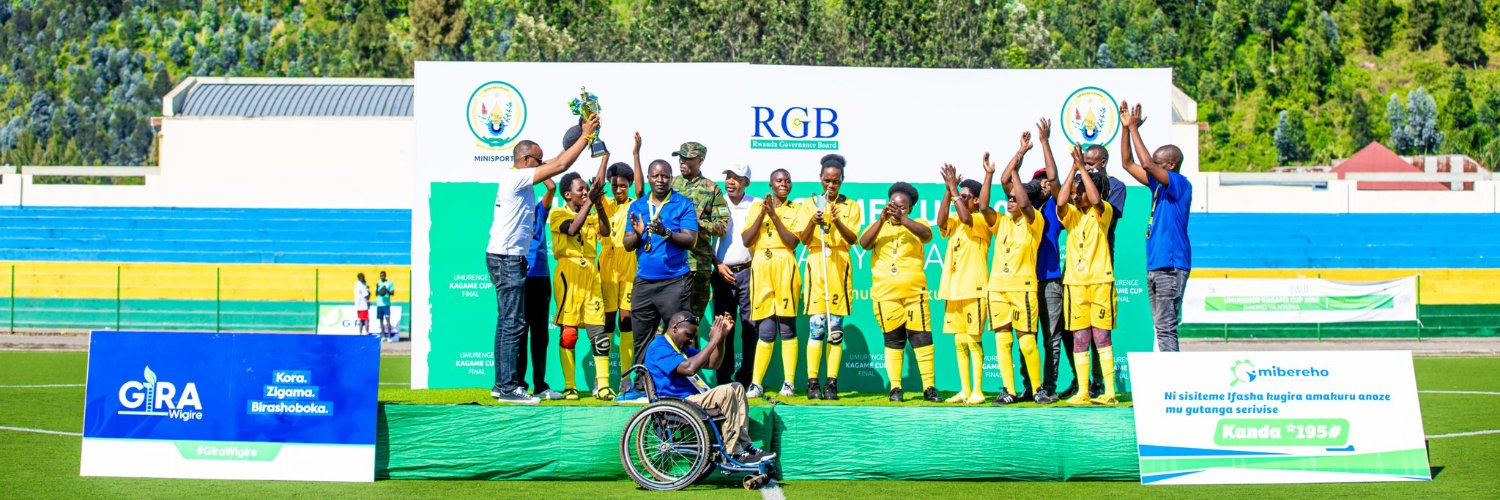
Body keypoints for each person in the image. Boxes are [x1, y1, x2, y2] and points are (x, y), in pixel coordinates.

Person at [488, 115, 598, 404]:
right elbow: (560, 166)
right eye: (537, 161)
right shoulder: (516, 177)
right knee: (513, 323)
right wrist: (586, 137)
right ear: (525, 160)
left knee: (506, 322)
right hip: (508, 258)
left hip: (505, 257)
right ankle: (510, 389)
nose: (540, 165)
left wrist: (578, 140)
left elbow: (557, 160)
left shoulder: (519, 175)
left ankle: (502, 385)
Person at [1031, 118, 1104, 403]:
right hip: (1024, 280)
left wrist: (1045, 142)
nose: (1042, 184)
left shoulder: (1053, 207)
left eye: (1046, 181)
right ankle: (1034, 385)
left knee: (1058, 336)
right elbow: (1007, 181)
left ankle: (1053, 386)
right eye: (1038, 181)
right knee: (1032, 338)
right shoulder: (1023, 207)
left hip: (1052, 278)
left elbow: (1056, 180)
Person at [617, 159, 700, 403]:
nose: (660, 180)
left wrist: (667, 233)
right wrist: (641, 234)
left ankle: (681, 389)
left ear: (671, 178)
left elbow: (691, 240)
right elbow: (628, 244)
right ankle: (641, 388)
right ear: (650, 179)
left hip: (675, 281)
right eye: (656, 176)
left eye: (665, 175)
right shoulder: (638, 206)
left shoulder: (683, 204)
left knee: (680, 337)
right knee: (641, 337)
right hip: (644, 282)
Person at [645, 311, 772, 465]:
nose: (691, 340)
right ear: (674, 328)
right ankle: (733, 453)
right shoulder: (659, 347)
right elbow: (689, 368)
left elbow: (713, 363)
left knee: (737, 387)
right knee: (726, 391)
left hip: (691, 399)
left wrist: (721, 339)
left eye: (693, 336)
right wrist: (713, 341)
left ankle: (745, 445)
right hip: (677, 402)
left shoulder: (681, 348)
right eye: (688, 335)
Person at [1119, 101, 1193, 352]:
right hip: (1156, 265)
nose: (1151, 169)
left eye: (1159, 165)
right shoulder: (1158, 186)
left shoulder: (1180, 183)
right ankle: (1168, 379)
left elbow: (1147, 164)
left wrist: (1135, 129)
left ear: (1170, 166)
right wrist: (1125, 130)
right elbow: (1128, 163)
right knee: (1161, 327)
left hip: (1171, 265)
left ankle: (1171, 384)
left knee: (1166, 327)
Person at [859, 182, 939, 403]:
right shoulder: (878, 225)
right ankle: (895, 387)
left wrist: (903, 220)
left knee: (922, 338)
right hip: (886, 294)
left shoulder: (917, 224)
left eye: (902, 207)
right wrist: (882, 219)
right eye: (893, 205)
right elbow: (864, 243)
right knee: (893, 340)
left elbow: (927, 236)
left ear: (910, 209)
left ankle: (929, 387)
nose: (896, 209)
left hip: (915, 293)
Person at [983, 133, 1047, 405]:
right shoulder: (1001, 222)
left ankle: (1038, 389)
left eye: (1013, 198)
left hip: (1022, 289)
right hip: (997, 289)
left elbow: (1023, 202)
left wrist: (1017, 173)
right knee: (1002, 341)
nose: (1009, 201)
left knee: (1027, 343)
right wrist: (989, 174)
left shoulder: (1035, 221)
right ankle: (1008, 390)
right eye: (1006, 198)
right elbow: (984, 206)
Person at [1056, 145, 1119, 406]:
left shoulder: (1102, 211)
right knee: (1080, 338)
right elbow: (1059, 202)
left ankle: (1110, 392)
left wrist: (1082, 168)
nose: (1073, 196)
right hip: (1075, 284)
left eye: (1077, 192)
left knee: (1101, 337)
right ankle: (1083, 390)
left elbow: (1094, 200)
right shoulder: (1071, 216)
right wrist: (1073, 169)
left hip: (1100, 282)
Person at [796, 154, 860, 401]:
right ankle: (813, 382)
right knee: (817, 327)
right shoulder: (809, 203)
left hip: (839, 266)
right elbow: (802, 239)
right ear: (820, 178)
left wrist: (836, 221)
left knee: (835, 329)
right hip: (816, 264)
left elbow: (853, 239)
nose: (830, 185)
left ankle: (832, 383)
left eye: (835, 181)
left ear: (842, 180)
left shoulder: (851, 206)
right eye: (826, 180)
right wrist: (814, 221)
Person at [549, 168, 614, 400]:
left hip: (591, 273)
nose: (585, 192)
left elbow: (605, 232)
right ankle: (570, 386)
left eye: (586, 189)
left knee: (600, 333)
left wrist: (598, 205)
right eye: (581, 190)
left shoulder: (592, 211)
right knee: (569, 334)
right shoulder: (557, 213)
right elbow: (573, 228)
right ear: (568, 195)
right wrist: (591, 203)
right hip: (569, 274)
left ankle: (604, 385)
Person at [743, 169, 803, 398]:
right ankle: (756, 383)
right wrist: (763, 214)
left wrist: (775, 216)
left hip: (784, 265)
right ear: (770, 184)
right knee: (766, 330)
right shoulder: (757, 207)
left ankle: (789, 382)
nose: (784, 184)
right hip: (761, 266)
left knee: (787, 327)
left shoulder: (796, 209)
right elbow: (747, 239)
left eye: (788, 180)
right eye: (779, 180)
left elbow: (792, 242)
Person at [935, 163, 991, 405]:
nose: (962, 200)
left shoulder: (979, 220)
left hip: (974, 288)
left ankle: (978, 390)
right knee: (959, 342)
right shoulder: (955, 222)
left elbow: (966, 216)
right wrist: (949, 191)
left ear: (977, 200)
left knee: (973, 340)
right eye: (961, 195)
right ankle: (964, 390)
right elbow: (940, 221)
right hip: (953, 289)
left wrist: (954, 191)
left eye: (966, 196)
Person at [597, 133, 646, 377]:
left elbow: (640, 188)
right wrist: (604, 158)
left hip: (629, 263)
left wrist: (636, 154)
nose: (619, 189)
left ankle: (627, 378)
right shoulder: (603, 202)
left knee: (626, 322)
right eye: (615, 185)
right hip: (606, 264)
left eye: (623, 186)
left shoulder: (634, 203)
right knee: (606, 321)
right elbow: (597, 186)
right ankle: (601, 379)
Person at [670, 141, 729, 321]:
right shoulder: (670, 185)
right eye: (680, 157)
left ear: (700, 160)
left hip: (698, 266)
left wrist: (696, 223)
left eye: (688, 158)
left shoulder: (712, 189)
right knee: (668, 319)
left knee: (691, 322)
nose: (682, 162)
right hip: (671, 263)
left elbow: (722, 227)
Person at [714, 163, 757, 387]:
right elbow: (708, 239)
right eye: (728, 176)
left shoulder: (756, 203)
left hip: (749, 271)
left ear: (746, 182)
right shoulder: (716, 199)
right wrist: (717, 264)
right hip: (722, 272)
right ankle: (723, 379)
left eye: (737, 177)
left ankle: (747, 379)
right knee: (724, 328)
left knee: (750, 328)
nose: (731, 181)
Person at [523, 177, 561, 400]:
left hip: (541, 277)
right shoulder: (512, 214)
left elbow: (552, 187)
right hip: (521, 276)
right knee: (519, 333)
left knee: (540, 334)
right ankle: (517, 383)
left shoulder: (539, 210)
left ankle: (540, 385)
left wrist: (539, 167)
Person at [376, 271, 396, 341]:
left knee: (387, 320)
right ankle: (383, 336)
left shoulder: (389, 283)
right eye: (380, 276)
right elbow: (377, 293)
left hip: (386, 305)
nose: (382, 277)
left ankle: (389, 336)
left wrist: (386, 289)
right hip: (379, 304)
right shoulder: (378, 283)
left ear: (385, 276)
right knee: (381, 321)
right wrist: (378, 288)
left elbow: (392, 293)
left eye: (383, 276)